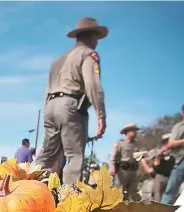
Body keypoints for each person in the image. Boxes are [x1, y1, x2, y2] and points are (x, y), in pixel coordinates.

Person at [36, 17, 108, 185]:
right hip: (71, 105)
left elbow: (47, 90)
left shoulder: (57, 61)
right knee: (74, 156)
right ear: (92, 36)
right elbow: (92, 85)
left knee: (46, 156)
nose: (97, 42)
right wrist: (101, 115)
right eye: (96, 37)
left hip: (51, 106)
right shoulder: (88, 54)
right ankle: (69, 203)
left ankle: (29, 191)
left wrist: (48, 109)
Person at [109, 123, 140, 201]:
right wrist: (112, 168)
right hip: (123, 171)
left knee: (133, 194)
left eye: (135, 130)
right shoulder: (120, 143)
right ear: (127, 132)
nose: (135, 132)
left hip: (133, 170)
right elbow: (113, 156)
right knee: (118, 192)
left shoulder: (136, 144)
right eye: (133, 130)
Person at [141, 133, 174, 202]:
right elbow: (145, 159)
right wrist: (148, 166)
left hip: (173, 176)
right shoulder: (159, 152)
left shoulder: (177, 151)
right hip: (160, 176)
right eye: (166, 141)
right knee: (157, 197)